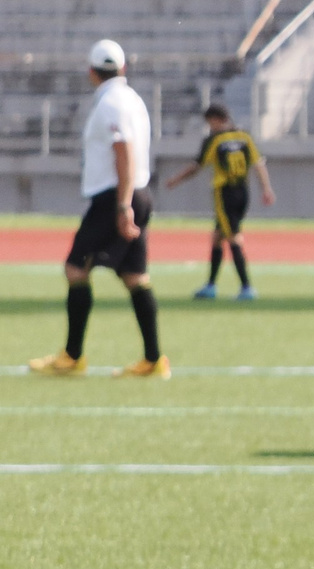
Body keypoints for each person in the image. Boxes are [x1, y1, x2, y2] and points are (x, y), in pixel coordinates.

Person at [30, 40, 165, 379]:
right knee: (135, 276)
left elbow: (123, 151)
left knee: (76, 269)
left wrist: (122, 205)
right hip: (137, 191)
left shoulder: (111, 104)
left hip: (115, 197)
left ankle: (72, 355)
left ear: (91, 71)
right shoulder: (131, 99)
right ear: (123, 69)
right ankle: (153, 359)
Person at [163, 103, 275, 301]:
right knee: (217, 237)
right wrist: (266, 189)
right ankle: (211, 286)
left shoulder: (214, 140)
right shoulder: (244, 136)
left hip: (225, 193)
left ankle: (247, 287)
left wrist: (175, 180)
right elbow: (258, 164)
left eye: (209, 122)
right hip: (243, 191)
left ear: (215, 119)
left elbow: (197, 166)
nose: (209, 126)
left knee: (233, 237)